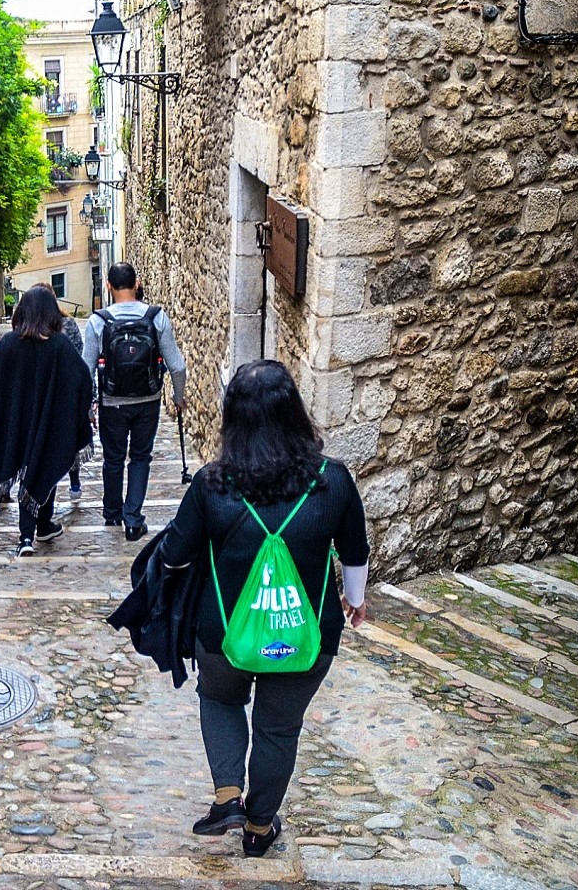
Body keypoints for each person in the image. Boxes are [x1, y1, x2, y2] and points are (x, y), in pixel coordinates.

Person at [155, 359, 369, 858]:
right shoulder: (333, 481)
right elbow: (355, 551)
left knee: (221, 700)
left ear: (233, 418)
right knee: (278, 727)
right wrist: (354, 603)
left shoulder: (212, 484)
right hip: (306, 634)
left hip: (224, 632)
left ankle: (228, 794)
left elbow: (175, 553)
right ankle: (258, 826)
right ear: (295, 412)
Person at [0, 286, 94, 557]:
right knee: (47, 465)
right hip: (51, 422)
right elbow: (82, 380)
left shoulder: (8, 344)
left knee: (32, 470)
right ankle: (34, 530)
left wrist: (1, 412)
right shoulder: (60, 345)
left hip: (18, 421)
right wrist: (74, 415)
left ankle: (35, 530)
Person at [83, 262, 187, 542]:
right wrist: (178, 397)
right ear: (137, 283)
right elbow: (177, 366)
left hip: (112, 402)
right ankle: (133, 519)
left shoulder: (98, 321)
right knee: (140, 457)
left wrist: (89, 405)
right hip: (148, 400)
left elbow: (86, 369)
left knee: (113, 458)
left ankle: (112, 512)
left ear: (108, 286)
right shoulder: (156, 317)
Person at [36, 283, 92, 501]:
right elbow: (80, 358)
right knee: (70, 438)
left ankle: (46, 489)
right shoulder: (68, 324)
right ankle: (74, 482)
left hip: (43, 396)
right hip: (67, 393)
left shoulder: (32, 328)